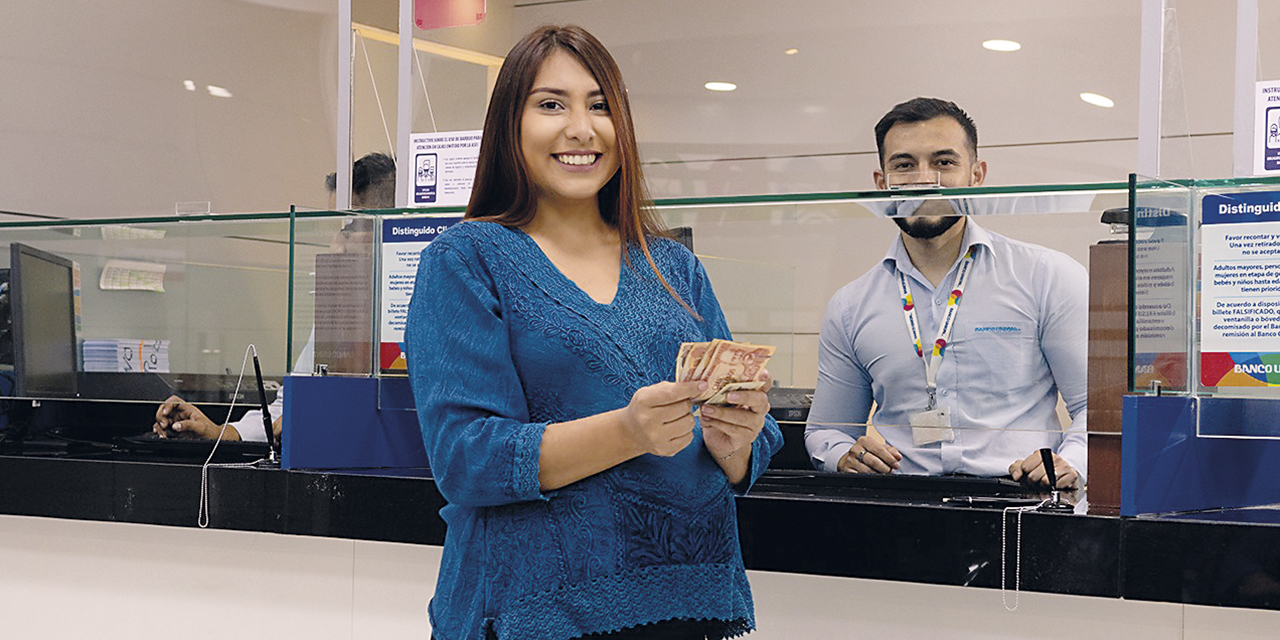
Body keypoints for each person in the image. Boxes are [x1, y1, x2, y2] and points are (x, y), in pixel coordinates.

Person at [405, 25, 782, 640]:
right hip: (536, 613)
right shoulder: (467, 260)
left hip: (694, 604)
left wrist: (735, 437)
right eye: (552, 104)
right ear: (509, 124)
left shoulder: (675, 267)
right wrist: (629, 431)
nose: (581, 128)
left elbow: (749, 446)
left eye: (600, 105)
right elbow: (466, 458)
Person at [803, 97, 1088, 489]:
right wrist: (843, 456)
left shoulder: (1048, 276)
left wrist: (1067, 464)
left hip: (1021, 502)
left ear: (976, 175)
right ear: (881, 182)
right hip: (899, 507)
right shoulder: (850, 306)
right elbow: (825, 431)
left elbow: (1098, 412)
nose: (924, 179)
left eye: (943, 162)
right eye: (904, 165)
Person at [152, 152, 396, 442]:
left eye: (349, 228)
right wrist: (219, 432)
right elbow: (285, 410)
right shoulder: (341, 314)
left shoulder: (419, 314)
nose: (335, 247)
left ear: (392, 226)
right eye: (334, 230)